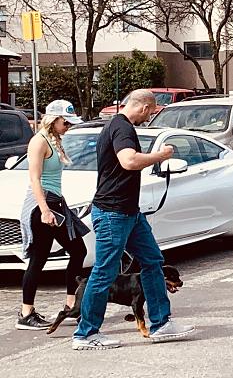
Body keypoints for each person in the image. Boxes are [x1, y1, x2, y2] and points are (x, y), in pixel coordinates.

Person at [72, 89, 195, 350]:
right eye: (151, 111)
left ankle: (161, 324)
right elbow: (128, 161)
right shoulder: (122, 128)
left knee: (152, 261)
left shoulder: (119, 126)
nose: (150, 116)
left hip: (129, 212)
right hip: (112, 212)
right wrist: (160, 156)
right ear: (143, 107)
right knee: (105, 271)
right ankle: (85, 334)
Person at [17, 100, 88, 330]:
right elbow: (35, 179)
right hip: (43, 205)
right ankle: (26, 313)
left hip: (56, 203)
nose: (68, 126)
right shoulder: (38, 141)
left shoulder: (54, 140)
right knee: (39, 258)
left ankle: (70, 305)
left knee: (78, 250)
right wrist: (45, 210)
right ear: (53, 119)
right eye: (65, 122)